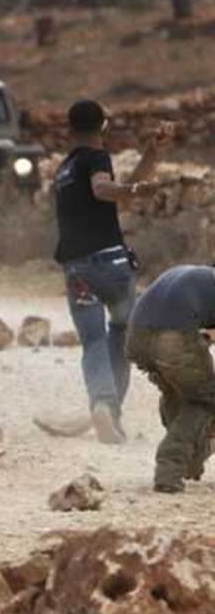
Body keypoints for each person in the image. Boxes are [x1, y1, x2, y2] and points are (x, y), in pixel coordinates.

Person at [52, 100, 170, 444]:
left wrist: (151, 155)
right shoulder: (96, 158)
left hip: (77, 271)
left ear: (69, 128)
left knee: (93, 341)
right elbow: (105, 190)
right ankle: (112, 412)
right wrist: (133, 189)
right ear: (103, 126)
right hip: (112, 266)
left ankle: (103, 405)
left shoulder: (64, 170)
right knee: (120, 335)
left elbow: (120, 196)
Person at [126, 265, 215, 493]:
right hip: (172, 338)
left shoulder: (190, 274)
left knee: (177, 390)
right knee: (206, 398)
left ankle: (188, 462)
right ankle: (171, 466)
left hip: (136, 337)